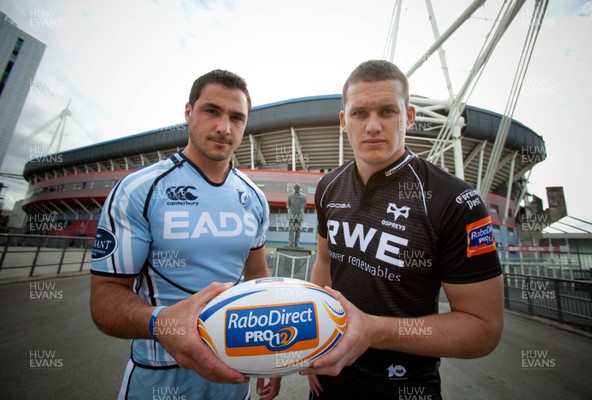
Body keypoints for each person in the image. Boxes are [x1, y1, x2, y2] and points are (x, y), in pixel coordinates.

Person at [301, 60, 504, 399]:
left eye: (387, 111)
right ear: (343, 121)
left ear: (408, 116)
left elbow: (483, 328)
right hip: (329, 378)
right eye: (360, 113)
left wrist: (374, 330)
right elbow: (325, 263)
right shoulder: (329, 186)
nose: (373, 126)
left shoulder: (454, 200)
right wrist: (313, 342)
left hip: (403, 386)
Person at [89, 69, 280, 400]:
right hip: (158, 372)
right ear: (189, 112)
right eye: (212, 111)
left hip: (233, 368)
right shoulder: (140, 189)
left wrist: (269, 359)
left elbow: (257, 277)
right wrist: (162, 324)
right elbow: (105, 297)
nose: (224, 127)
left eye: (237, 117)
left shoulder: (254, 198)